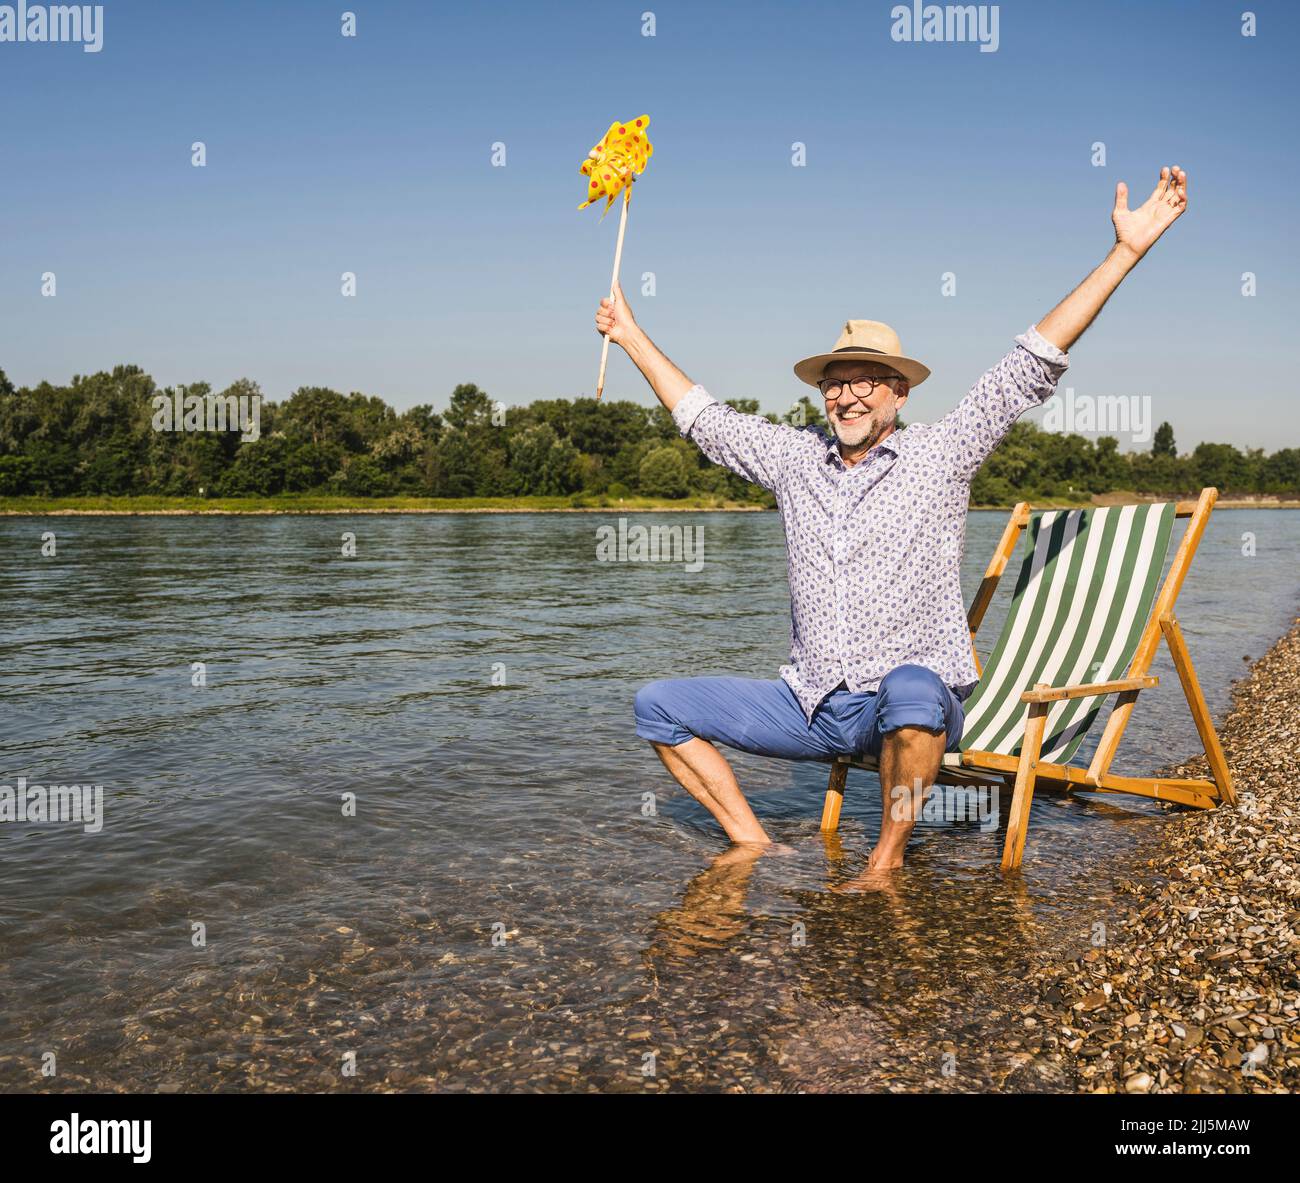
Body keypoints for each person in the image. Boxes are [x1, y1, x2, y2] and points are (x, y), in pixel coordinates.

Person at [596, 167, 1188, 874]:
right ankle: (752, 843)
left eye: (864, 380)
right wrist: (630, 335)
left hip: (908, 707)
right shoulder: (793, 458)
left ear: (898, 393)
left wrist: (1124, 253)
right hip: (811, 702)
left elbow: (1028, 365)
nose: (846, 396)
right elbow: (703, 418)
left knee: (911, 685)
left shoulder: (941, 453)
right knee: (657, 704)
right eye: (834, 382)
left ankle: (883, 863)